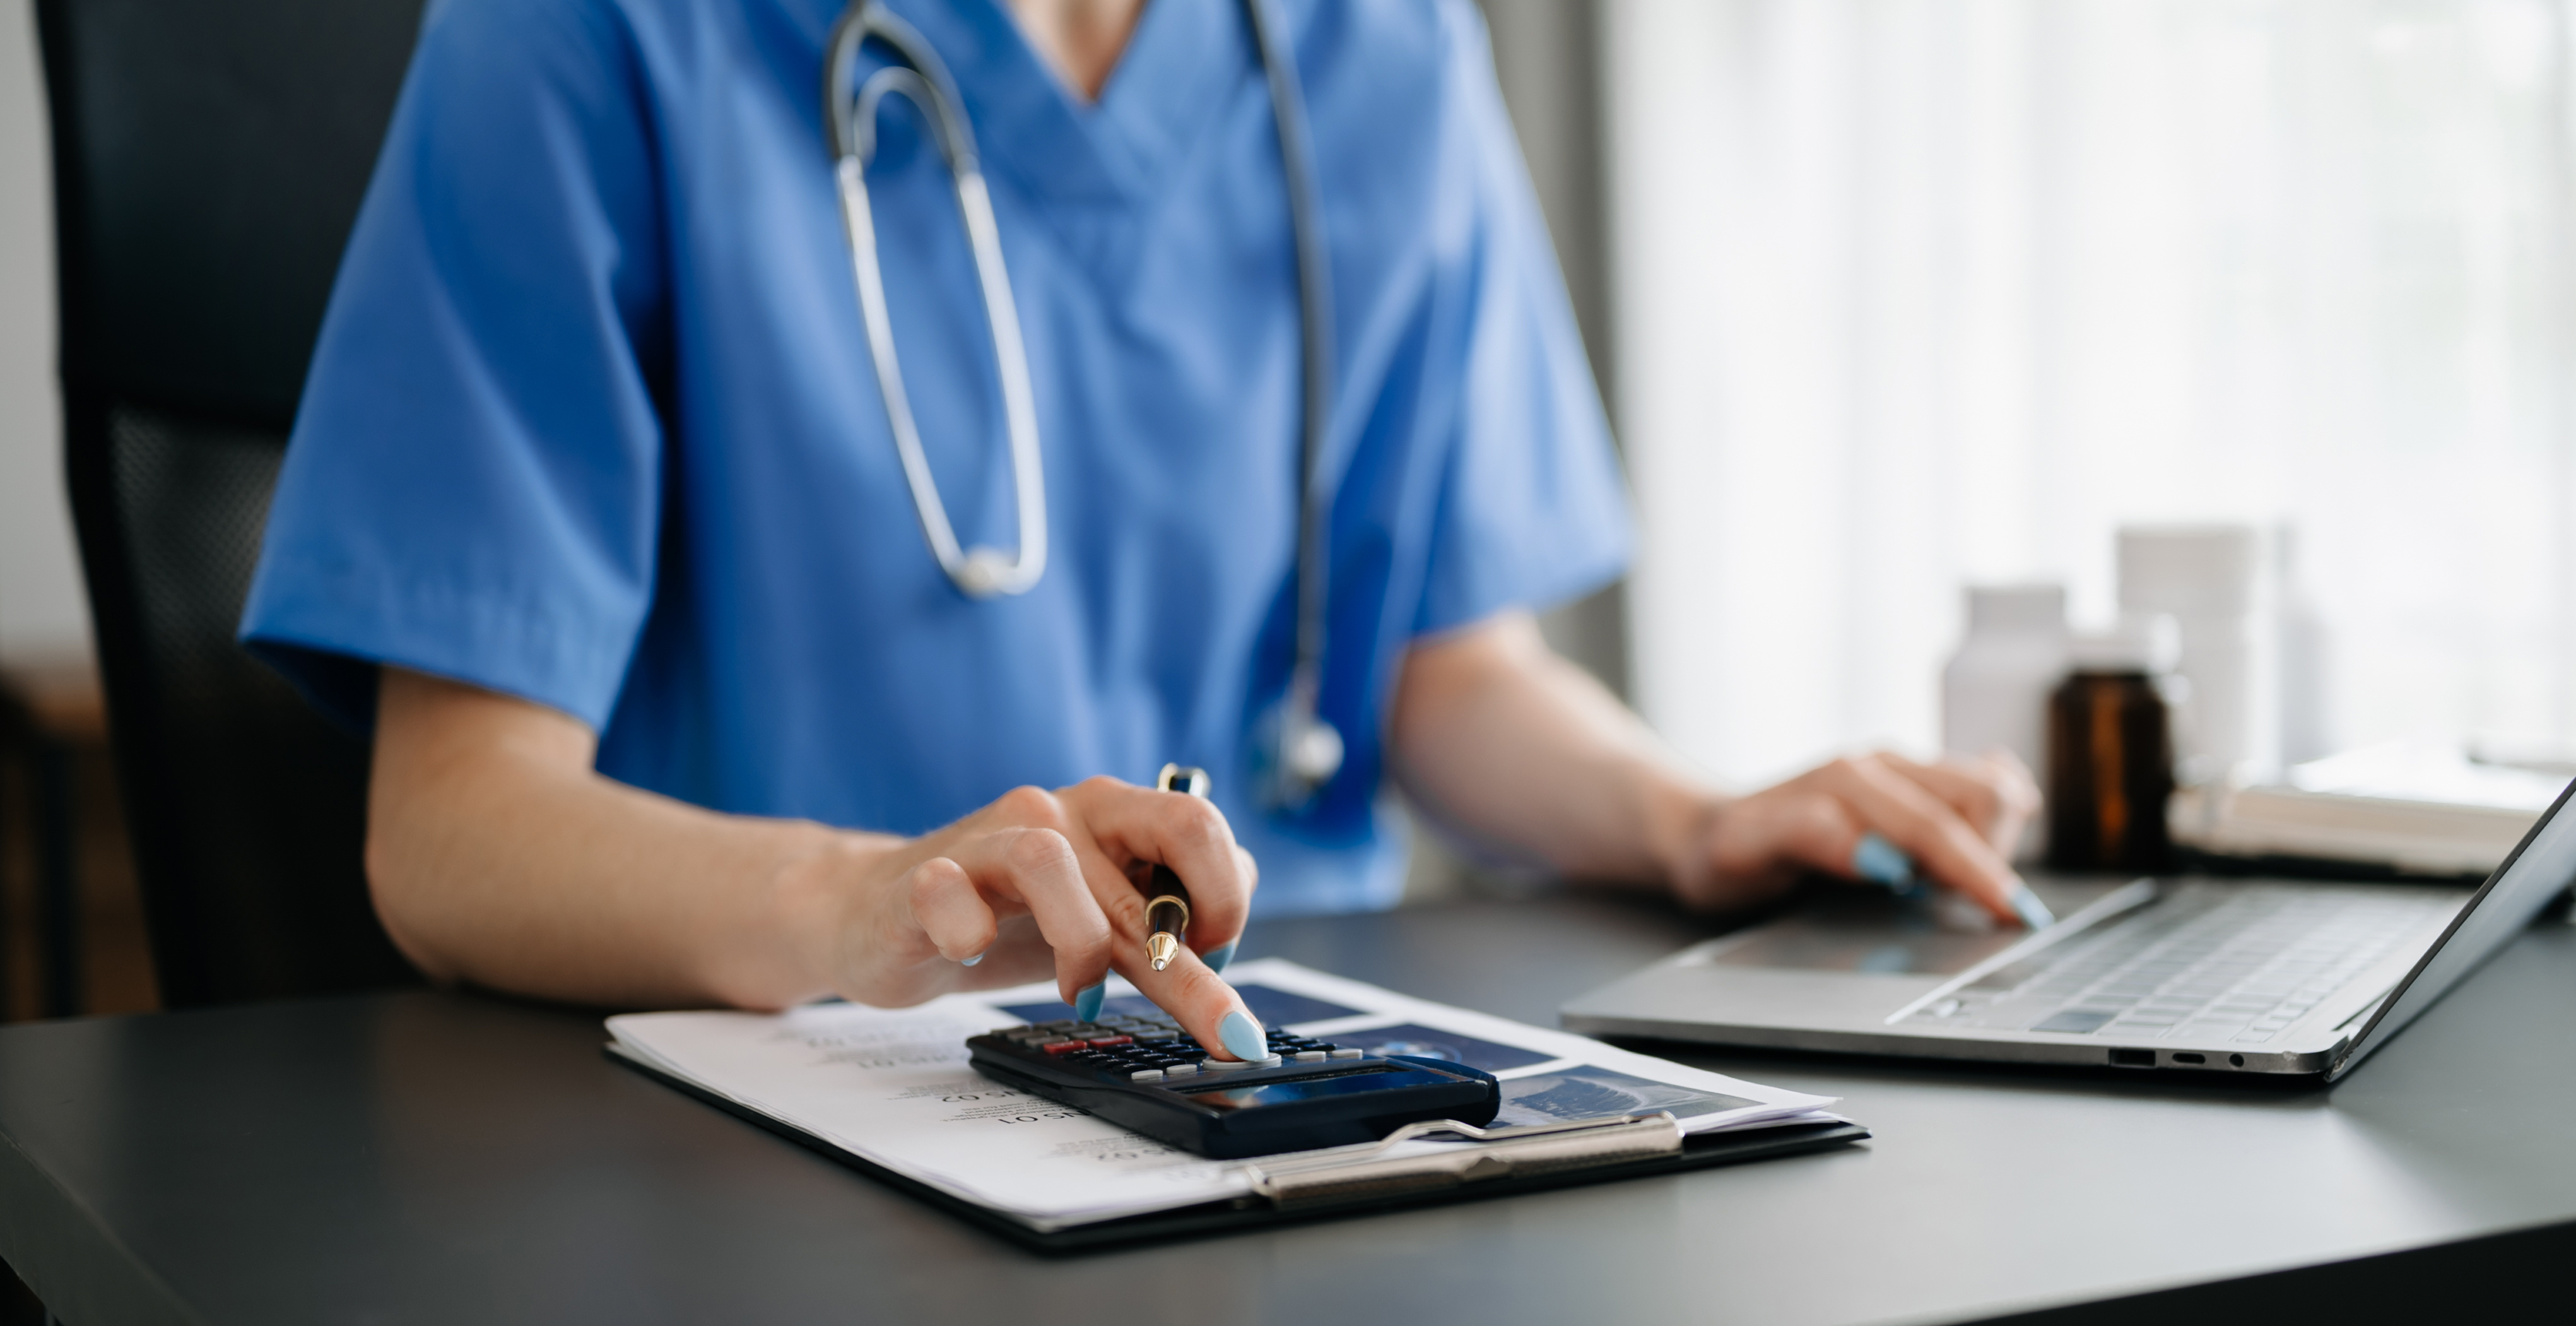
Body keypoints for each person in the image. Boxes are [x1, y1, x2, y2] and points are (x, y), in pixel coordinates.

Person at [241, 0, 2038, 1065]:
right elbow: (452, 827)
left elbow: (1429, 666)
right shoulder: (593, 34)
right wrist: (865, 904)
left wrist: (1684, 817)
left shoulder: (1374, 47)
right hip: (775, 1093)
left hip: (1268, 1074)